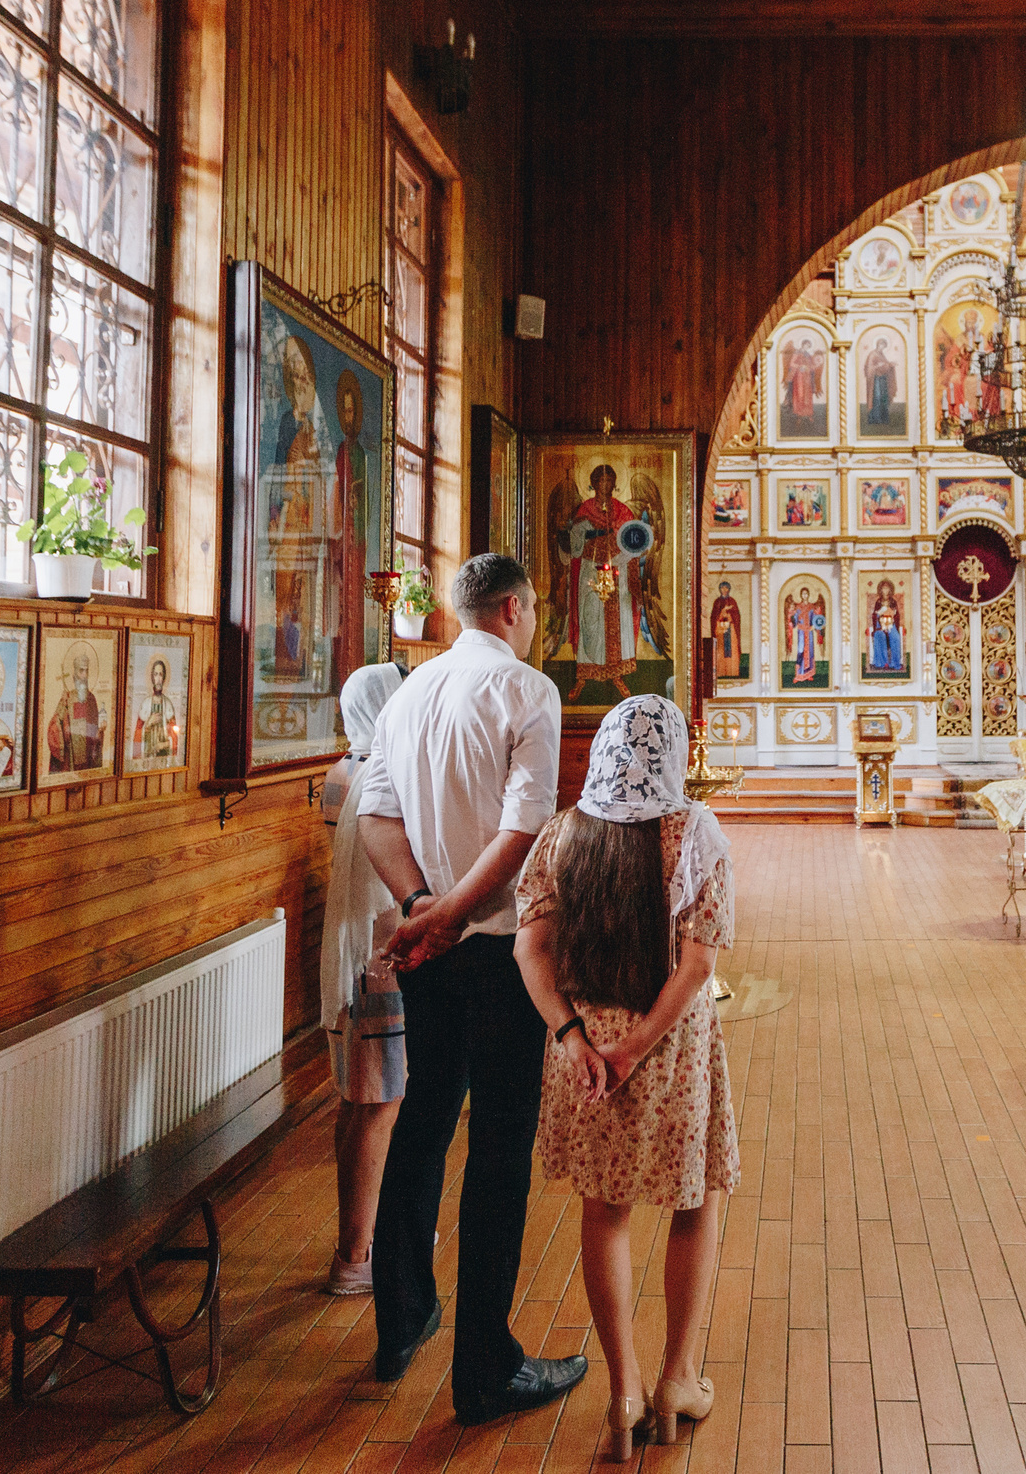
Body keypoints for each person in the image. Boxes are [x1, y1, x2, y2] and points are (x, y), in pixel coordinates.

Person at [357, 554, 586, 1420]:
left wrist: (420, 905)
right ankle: (486, 1368)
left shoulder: (409, 691)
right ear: (514, 608)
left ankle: (401, 1320)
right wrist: (452, 913)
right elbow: (524, 828)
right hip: (498, 950)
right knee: (498, 1143)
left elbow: (376, 815)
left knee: (422, 1118)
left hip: (428, 943)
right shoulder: (527, 690)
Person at [513, 696, 738, 1461]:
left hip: (585, 1049)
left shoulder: (564, 831)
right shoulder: (692, 830)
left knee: (605, 1211)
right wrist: (638, 1045)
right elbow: (698, 963)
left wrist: (573, 1035)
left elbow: (529, 949)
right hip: (668, 1044)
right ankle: (678, 1380)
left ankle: (623, 1391)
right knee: (695, 1196)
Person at [319, 662, 404, 1295]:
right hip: (382, 957)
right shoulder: (386, 774)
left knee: (355, 1102)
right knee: (379, 1103)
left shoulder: (339, 773)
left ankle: (370, 1232)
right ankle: (354, 1256)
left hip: (349, 954)